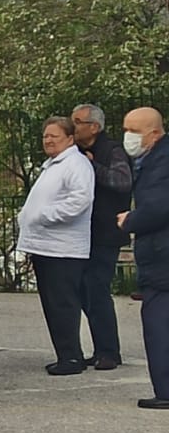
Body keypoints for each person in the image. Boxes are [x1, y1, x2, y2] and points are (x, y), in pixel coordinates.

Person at [17, 115, 97, 375]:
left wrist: (44, 216)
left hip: (63, 248)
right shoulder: (53, 165)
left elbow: (80, 200)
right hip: (45, 246)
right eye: (45, 136)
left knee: (63, 304)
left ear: (70, 138)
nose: (48, 140)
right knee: (53, 304)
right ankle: (66, 353)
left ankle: (71, 358)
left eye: (54, 136)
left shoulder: (75, 164)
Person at [73, 102, 134, 370]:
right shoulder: (76, 151)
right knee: (84, 291)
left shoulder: (112, 150)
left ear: (94, 127)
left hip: (106, 232)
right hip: (82, 233)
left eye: (78, 122)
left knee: (97, 288)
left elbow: (122, 181)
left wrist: (92, 167)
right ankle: (101, 348)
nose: (73, 126)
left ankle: (109, 351)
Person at [118, 107, 169, 409]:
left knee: (159, 323)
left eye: (134, 131)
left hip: (162, 258)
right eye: (126, 130)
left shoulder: (161, 163)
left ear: (154, 133)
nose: (128, 137)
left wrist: (130, 220)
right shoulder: (151, 160)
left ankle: (165, 390)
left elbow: (159, 207)